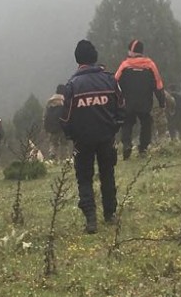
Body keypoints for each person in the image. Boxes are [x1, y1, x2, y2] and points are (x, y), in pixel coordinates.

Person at [60, 40, 125, 234]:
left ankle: (91, 219)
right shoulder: (110, 79)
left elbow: (65, 117)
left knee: (84, 178)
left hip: (82, 141)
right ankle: (110, 214)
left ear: (77, 59)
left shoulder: (72, 85)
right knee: (107, 174)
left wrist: (71, 135)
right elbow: (121, 107)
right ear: (95, 58)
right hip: (106, 137)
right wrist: (115, 128)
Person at [114, 39, 166, 159]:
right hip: (145, 102)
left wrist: (116, 100)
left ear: (131, 51)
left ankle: (127, 144)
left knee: (127, 123)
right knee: (146, 123)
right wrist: (162, 102)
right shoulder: (150, 65)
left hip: (128, 101)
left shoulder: (125, 65)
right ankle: (143, 148)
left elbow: (114, 82)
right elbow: (158, 85)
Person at [42, 84, 68, 160]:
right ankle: (64, 159)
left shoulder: (50, 101)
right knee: (64, 143)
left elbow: (45, 115)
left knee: (53, 143)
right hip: (63, 125)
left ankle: (52, 157)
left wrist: (45, 127)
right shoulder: (64, 101)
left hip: (52, 126)